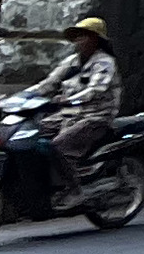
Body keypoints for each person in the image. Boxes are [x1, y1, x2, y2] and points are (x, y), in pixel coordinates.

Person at [40, 16, 123, 178]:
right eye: (76, 37)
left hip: (96, 117)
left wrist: (68, 100)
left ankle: (73, 189)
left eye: (82, 36)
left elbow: (95, 90)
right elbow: (48, 83)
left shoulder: (105, 63)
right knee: (33, 133)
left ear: (95, 39)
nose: (78, 41)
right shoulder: (72, 62)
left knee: (58, 146)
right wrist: (18, 98)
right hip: (68, 115)